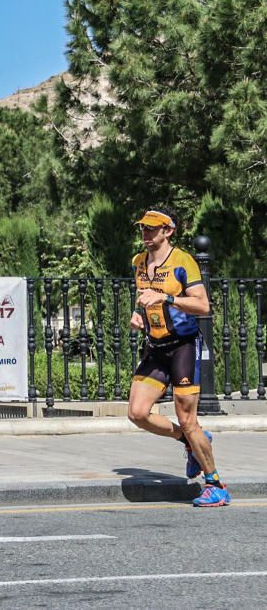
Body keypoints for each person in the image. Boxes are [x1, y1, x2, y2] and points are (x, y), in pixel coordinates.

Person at [126, 207, 229, 507]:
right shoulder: (139, 262)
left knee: (188, 419)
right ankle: (189, 442)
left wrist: (168, 297)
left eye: (151, 228)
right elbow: (142, 296)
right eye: (142, 228)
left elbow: (203, 306)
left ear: (168, 231)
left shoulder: (183, 262)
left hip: (183, 345)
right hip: (155, 346)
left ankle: (216, 485)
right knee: (137, 412)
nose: (145, 233)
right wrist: (137, 314)